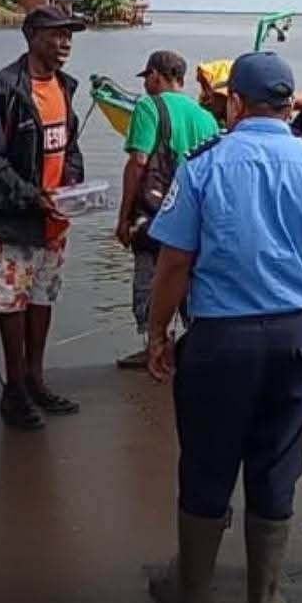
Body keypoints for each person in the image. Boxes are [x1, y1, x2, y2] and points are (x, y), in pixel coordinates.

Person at [144, 51, 302, 603]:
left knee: (207, 465)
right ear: (291, 106)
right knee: (276, 464)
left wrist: (157, 332)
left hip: (218, 342)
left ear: (234, 103)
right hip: (296, 338)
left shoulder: (203, 167)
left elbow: (173, 265)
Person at [0, 4, 86, 431]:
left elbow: (69, 147)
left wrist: (74, 188)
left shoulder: (64, 87)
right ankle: (13, 390)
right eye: (56, 34)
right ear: (32, 36)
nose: (65, 42)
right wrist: (32, 197)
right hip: (9, 220)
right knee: (11, 305)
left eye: (70, 35)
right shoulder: (4, 88)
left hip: (53, 222)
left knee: (43, 299)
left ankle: (36, 380)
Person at [114, 50, 219, 370]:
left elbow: (139, 163)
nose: (146, 83)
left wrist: (123, 216)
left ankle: (154, 345)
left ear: (158, 75)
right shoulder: (206, 117)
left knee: (149, 276)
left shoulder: (149, 106)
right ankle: (196, 345)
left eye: (147, 76)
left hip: (156, 213)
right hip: (196, 212)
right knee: (191, 278)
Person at [198, 58, 302, 133]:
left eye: (210, 91)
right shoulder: (204, 118)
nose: (205, 97)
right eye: (205, 89)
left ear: (233, 100)